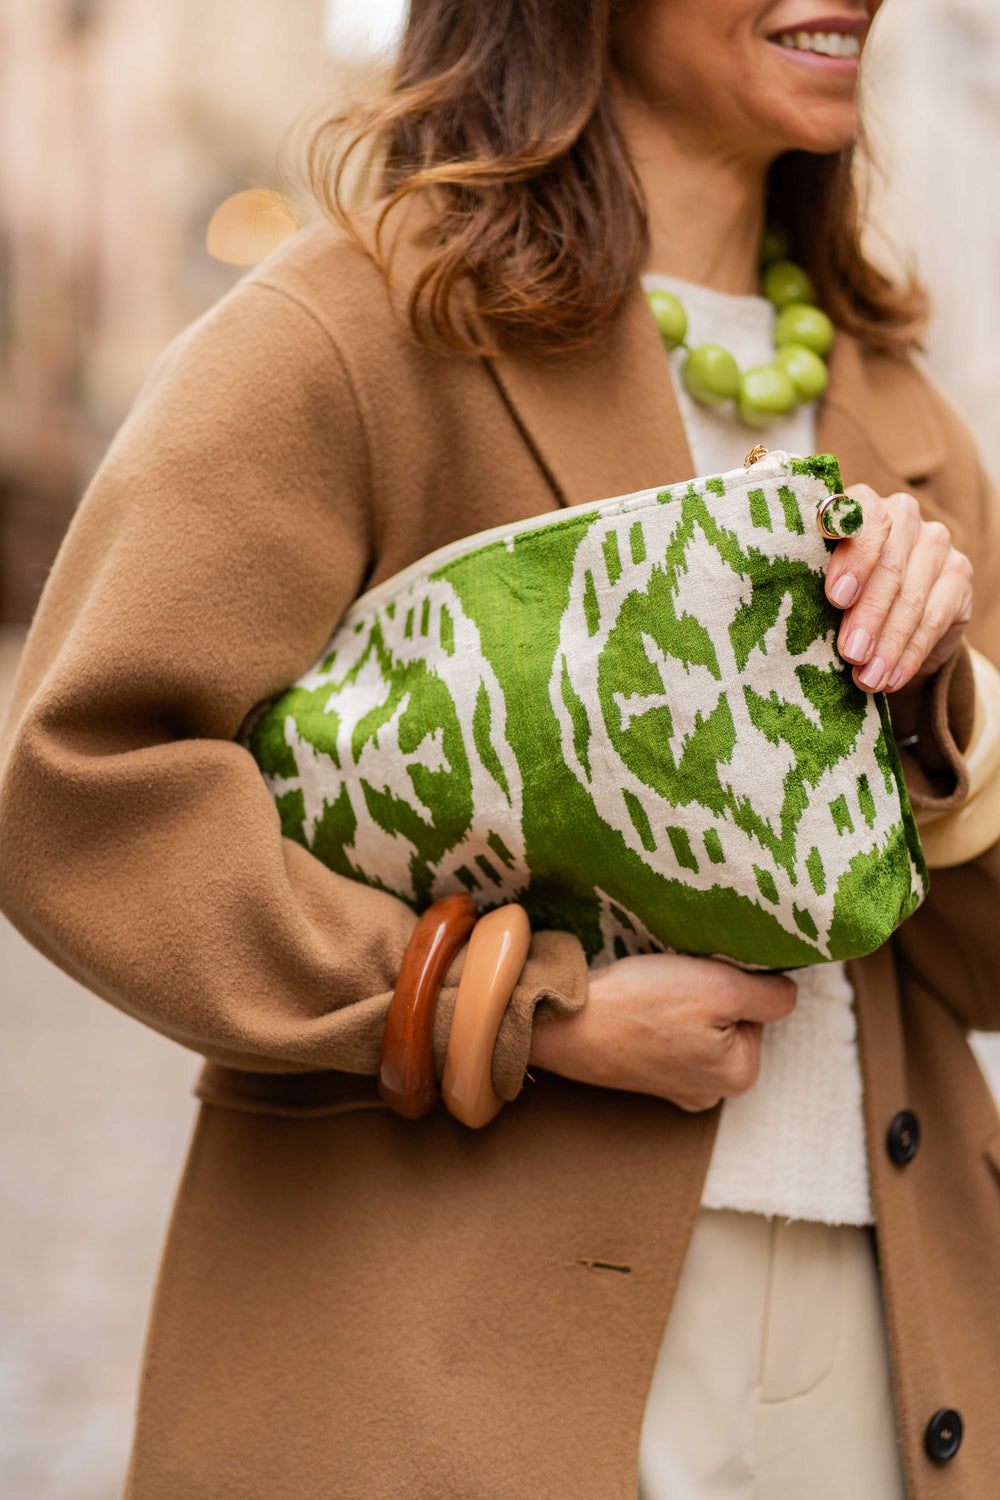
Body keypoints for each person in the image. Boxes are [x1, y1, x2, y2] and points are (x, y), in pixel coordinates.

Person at [1, 0, 1000, 1495]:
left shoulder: (901, 409)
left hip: (889, 1333)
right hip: (454, 1337)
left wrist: (937, 718)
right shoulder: (361, 322)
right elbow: (87, 790)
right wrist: (517, 1004)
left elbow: (980, 970)